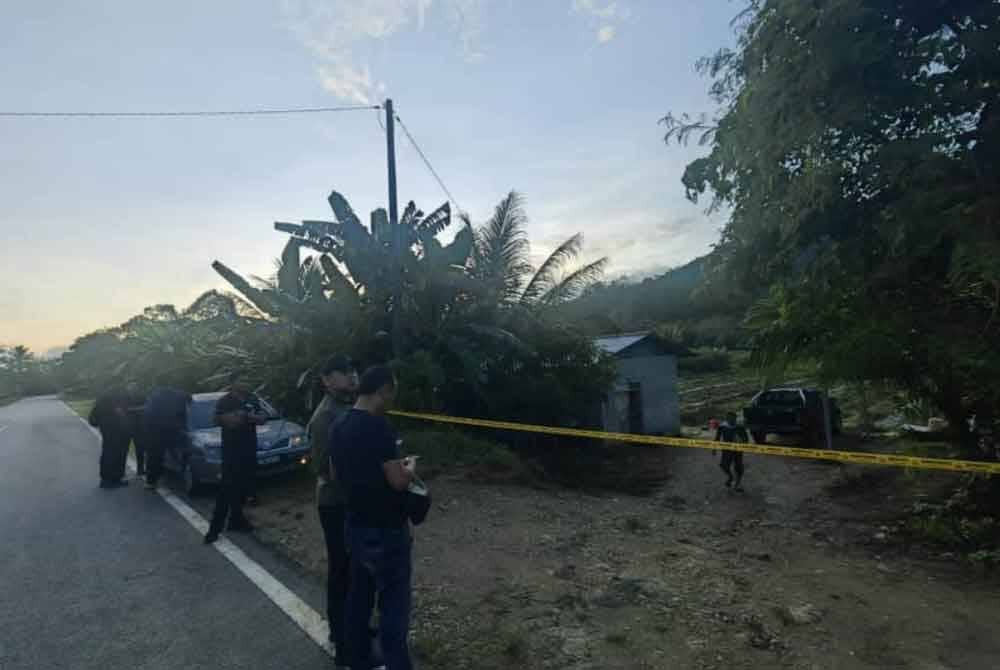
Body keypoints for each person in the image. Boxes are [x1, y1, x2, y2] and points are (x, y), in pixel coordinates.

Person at [332, 366, 417, 670]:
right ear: (383, 390)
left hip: (355, 526)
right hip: (387, 530)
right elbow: (397, 481)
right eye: (393, 393)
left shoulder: (339, 424)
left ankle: (358, 659)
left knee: (360, 599)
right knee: (393, 606)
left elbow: (334, 474)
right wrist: (409, 468)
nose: (393, 400)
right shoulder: (379, 427)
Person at [305, 354, 369, 662]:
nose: (352, 376)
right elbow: (324, 469)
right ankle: (342, 640)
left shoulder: (350, 408)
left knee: (359, 567)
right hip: (335, 504)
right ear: (327, 380)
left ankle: (355, 626)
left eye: (353, 370)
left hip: (354, 500)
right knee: (342, 570)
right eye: (343, 372)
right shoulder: (325, 417)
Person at [204, 374, 266, 544]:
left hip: (249, 449)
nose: (246, 383)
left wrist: (245, 416)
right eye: (241, 380)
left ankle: (236, 521)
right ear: (232, 383)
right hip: (232, 452)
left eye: (247, 380)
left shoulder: (252, 398)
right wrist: (238, 417)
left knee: (244, 488)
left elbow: (262, 418)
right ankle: (214, 530)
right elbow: (219, 420)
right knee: (226, 490)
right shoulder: (225, 401)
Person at [143, 386, 191, 490]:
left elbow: (147, 414)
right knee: (177, 452)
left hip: (156, 431)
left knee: (154, 456)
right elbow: (189, 399)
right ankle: (177, 475)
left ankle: (151, 482)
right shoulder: (180, 394)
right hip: (175, 430)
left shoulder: (154, 397)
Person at [89, 388, 131, 488]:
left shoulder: (102, 399)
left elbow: (92, 419)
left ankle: (106, 479)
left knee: (107, 454)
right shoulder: (120, 397)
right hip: (118, 431)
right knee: (118, 455)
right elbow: (123, 414)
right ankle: (114, 479)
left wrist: (101, 424)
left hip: (107, 431)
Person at [716, 411, 750, 491]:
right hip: (726, 450)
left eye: (732, 418)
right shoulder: (722, 427)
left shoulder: (740, 427)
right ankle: (730, 477)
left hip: (738, 450)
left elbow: (746, 439)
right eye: (728, 418)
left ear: (735, 418)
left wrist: (741, 441)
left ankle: (737, 484)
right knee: (724, 465)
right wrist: (714, 448)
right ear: (726, 418)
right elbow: (717, 438)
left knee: (739, 468)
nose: (730, 420)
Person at [125, 383, 148, 476]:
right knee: (123, 449)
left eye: (135, 388)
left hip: (139, 427)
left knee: (140, 449)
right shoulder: (125, 397)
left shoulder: (142, 396)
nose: (133, 390)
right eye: (131, 388)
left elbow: (147, 406)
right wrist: (138, 410)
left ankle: (140, 469)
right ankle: (121, 471)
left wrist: (131, 410)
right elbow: (123, 409)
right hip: (127, 427)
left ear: (138, 389)